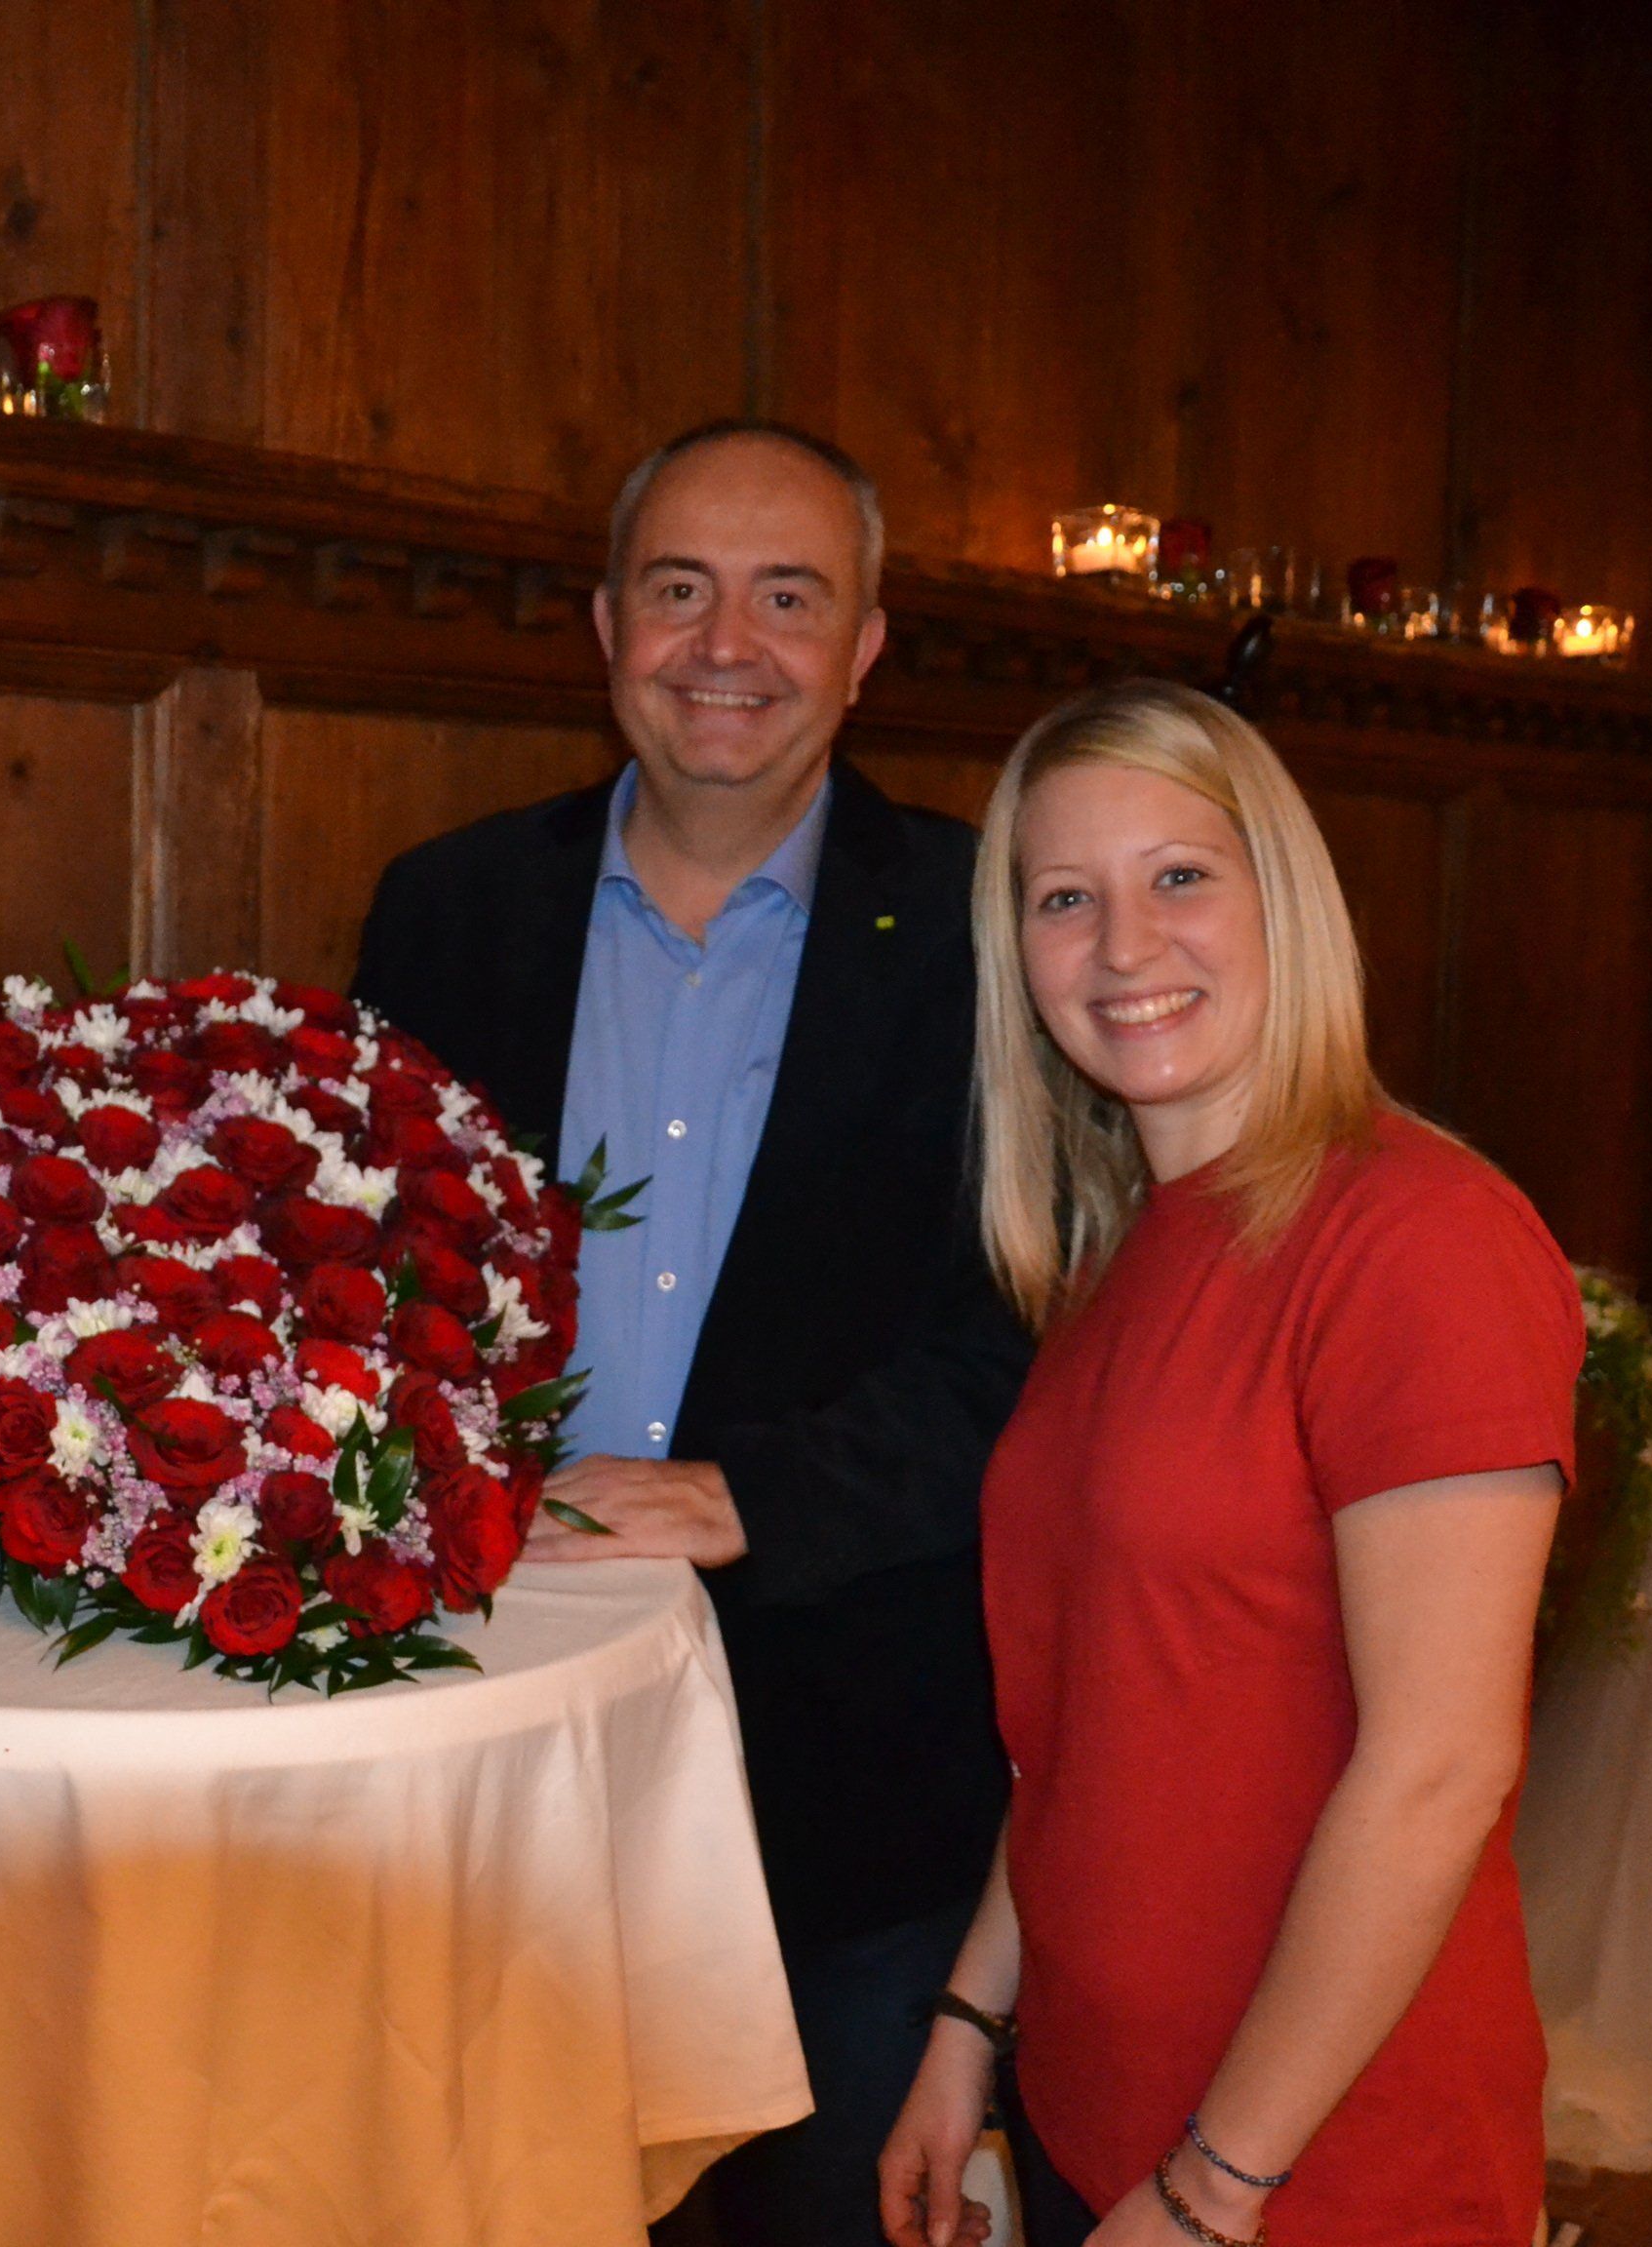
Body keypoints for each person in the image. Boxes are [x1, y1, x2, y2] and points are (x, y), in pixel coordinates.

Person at [352, 422, 1033, 2246]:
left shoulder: (990, 930)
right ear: (607, 626)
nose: (727, 644)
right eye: (680, 589)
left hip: (847, 1781)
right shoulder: (446, 909)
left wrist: (758, 1495)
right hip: (492, 1749)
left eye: (788, 598)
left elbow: (1029, 1352)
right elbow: (361, 1289)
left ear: (864, 646)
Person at [880, 679, 1578, 2247]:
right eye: (1065, 899)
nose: (1124, 948)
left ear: (1286, 901)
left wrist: (1212, 2191)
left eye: (1180, 876)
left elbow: (1439, 1770)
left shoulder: (1417, 1238)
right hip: (1106, 2112)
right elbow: (1084, 1727)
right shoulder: (1120, 1251)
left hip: (1319, 2168)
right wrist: (969, 2030)